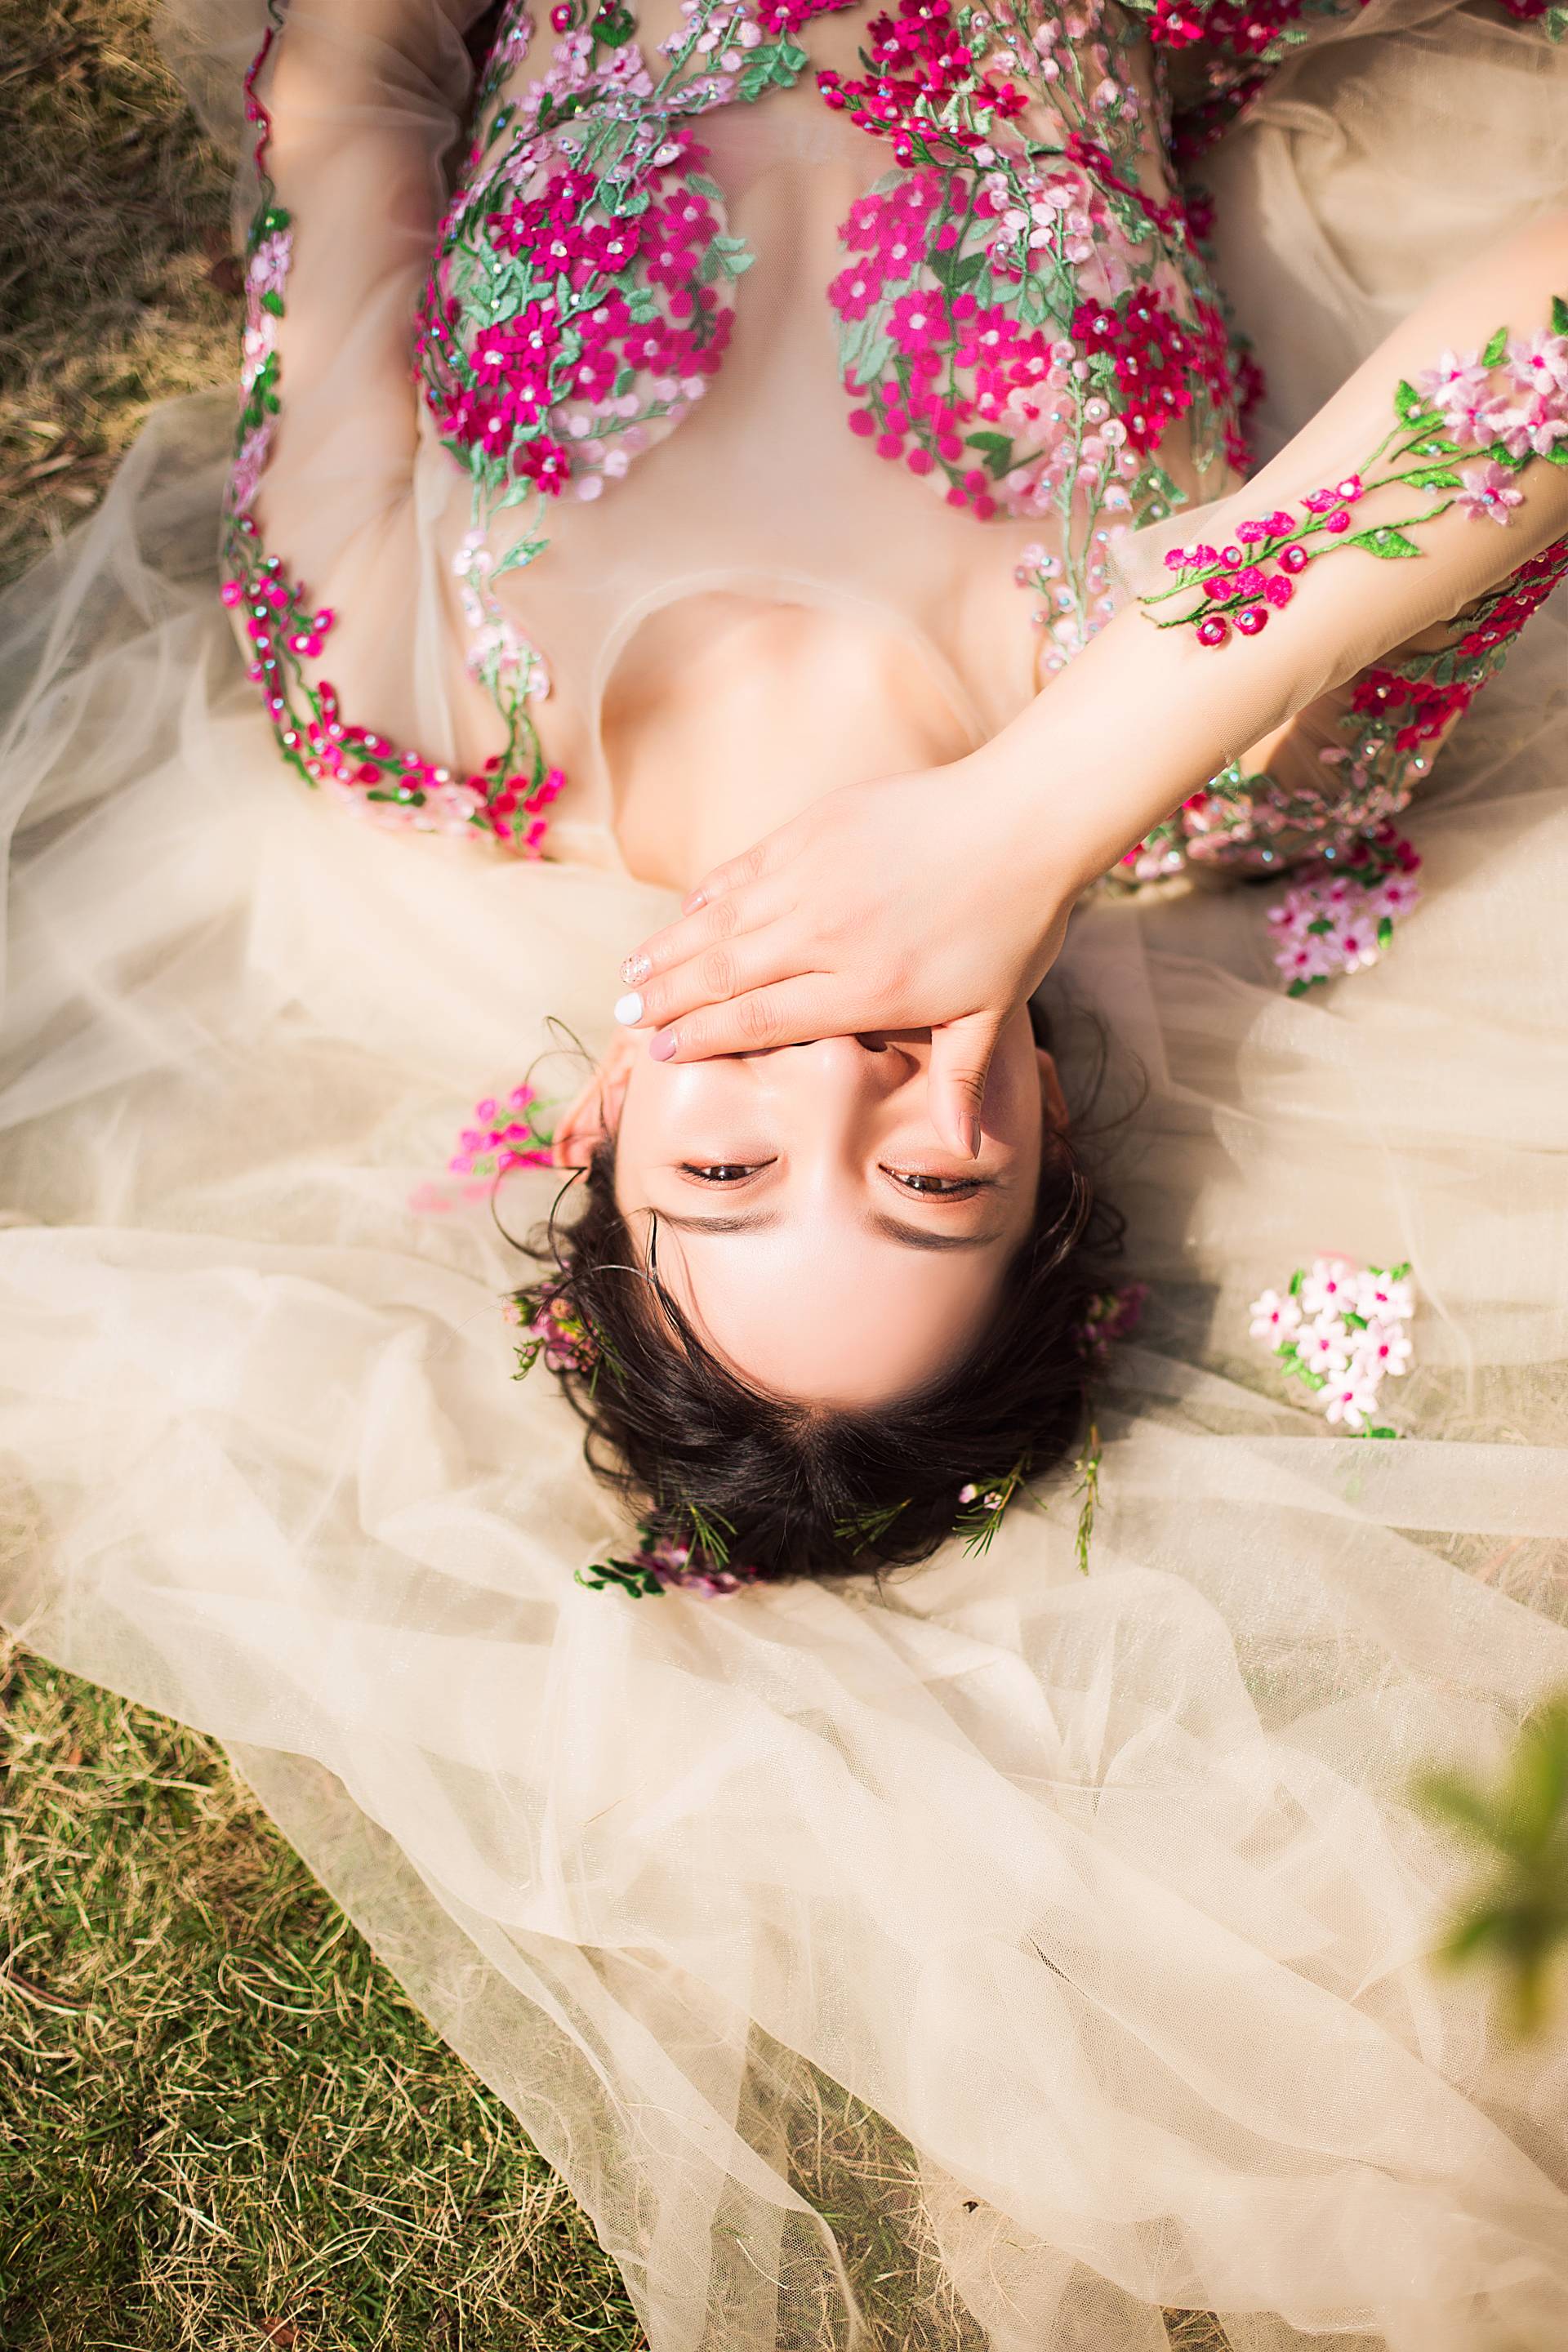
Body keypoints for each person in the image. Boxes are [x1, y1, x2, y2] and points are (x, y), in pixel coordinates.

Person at [3, 0, 1568, 2344]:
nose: (850, 1091)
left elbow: (351, 95)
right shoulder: (1257, 773)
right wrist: (1028, 809)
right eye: (936, 1188)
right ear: (1046, 1140)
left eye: (732, 1169)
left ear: (604, 1116)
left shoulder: (390, 698)